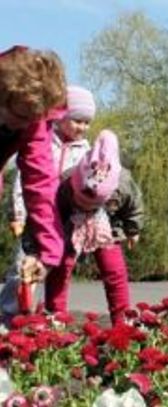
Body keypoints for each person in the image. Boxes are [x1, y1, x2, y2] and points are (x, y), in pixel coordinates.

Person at [0, 85, 95, 323]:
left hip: (65, 219)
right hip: (35, 216)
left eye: (86, 123)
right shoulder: (43, 140)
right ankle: (8, 312)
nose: (81, 128)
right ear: (61, 117)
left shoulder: (87, 152)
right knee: (22, 266)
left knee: (59, 270)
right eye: (76, 120)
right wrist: (18, 214)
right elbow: (28, 180)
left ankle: (53, 315)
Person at [45, 131, 143, 324]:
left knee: (115, 272)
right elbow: (53, 212)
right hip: (71, 226)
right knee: (60, 269)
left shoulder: (123, 183)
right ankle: (55, 318)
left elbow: (134, 205)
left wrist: (133, 229)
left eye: (90, 203)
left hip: (107, 226)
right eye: (81, 201)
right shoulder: (67, 180)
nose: (85, 205)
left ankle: (123, 321)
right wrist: (50, 241)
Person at [0, 45, 67, 277]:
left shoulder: (33, 118)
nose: (25, 125)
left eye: (33, 119)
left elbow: (40, 181)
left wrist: (48, 251)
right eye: (20, 117)